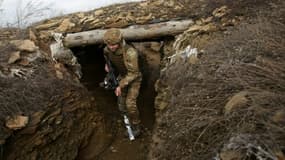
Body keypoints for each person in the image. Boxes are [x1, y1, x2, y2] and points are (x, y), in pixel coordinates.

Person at [103, 28, 142, 137]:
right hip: (122, 76)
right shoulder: (107, 50)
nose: (111, 47)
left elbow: (134, 73)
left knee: (130, 104)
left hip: (134, 79)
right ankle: (127, 122)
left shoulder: (130, 52)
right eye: (109, 45)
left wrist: (120, 85)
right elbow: (107, 58)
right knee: (121, 105)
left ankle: (136, 126)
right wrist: (107, 65)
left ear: (120, 42)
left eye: (114, 45)